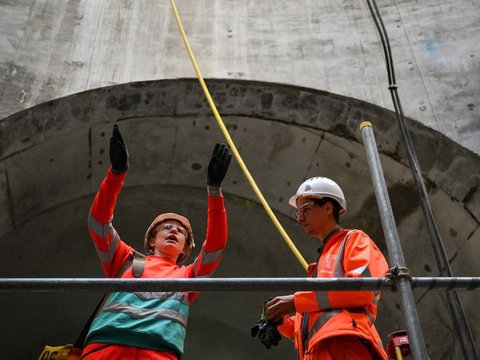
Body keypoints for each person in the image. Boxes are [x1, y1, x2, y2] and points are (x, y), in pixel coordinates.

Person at [82, 125, 232, 359]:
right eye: (167, 227)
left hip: (159, 353)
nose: (174, 230)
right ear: (152, 238)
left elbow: (214, 246)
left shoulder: (189, 277)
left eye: (181, 232)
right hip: (105, 348)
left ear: (184, 249)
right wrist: (116, 172)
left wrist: (214, 191)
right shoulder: (123, 258)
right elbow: (98, 222)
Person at [264, 177, 389, 360]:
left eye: (305, 210)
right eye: (298, 212)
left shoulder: (354, 240)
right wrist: (280, 320)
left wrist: (295, 301)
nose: (299, 218)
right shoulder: (317, 268)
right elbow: (312, 325)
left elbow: (361, 290)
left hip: (345, 346)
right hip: (319, 352)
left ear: (328, 208)